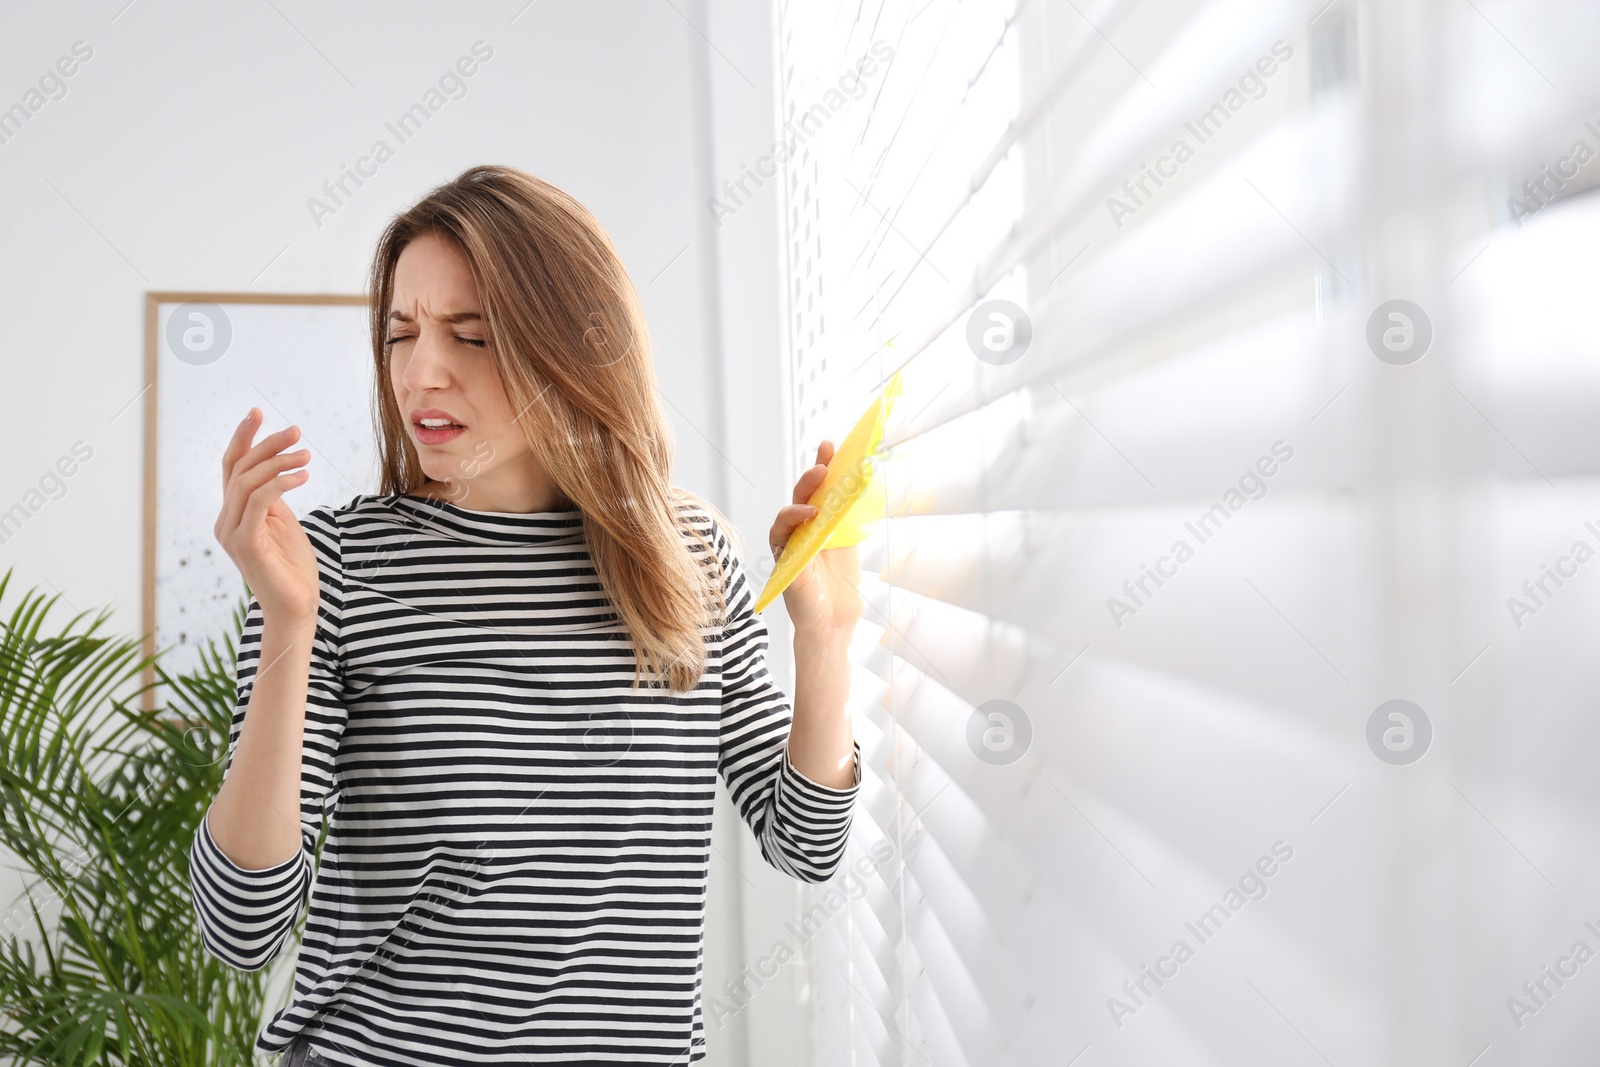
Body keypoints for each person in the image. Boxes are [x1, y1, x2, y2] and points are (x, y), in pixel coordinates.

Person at [188, 165, 863, 1065]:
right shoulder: (332, 569)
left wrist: (824, 638)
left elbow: (803, 842)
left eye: (471, 336)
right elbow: (241, 927)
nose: (421, 371)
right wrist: (289, 626)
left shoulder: (690, 555)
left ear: (572, 347)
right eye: (401, 334)